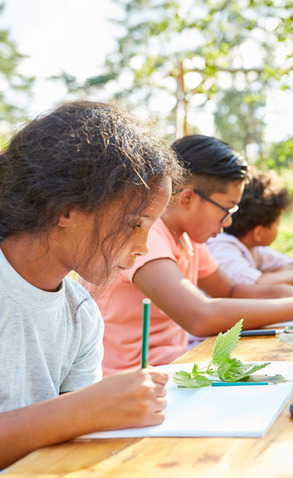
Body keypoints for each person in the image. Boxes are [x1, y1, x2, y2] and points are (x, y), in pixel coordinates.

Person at [0, 101, 183, 468]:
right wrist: (83, 410)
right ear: (65, 207)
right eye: (135, 224)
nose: (143, 247)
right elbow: (75, 418)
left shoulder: (81, 314)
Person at [85, 135, 293, 376]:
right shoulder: (143, 235)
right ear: (188, 198)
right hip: (124, 385)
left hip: (172, 370)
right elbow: (200, 316)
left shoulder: (187, 238)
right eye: (226, 208)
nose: (228, 221)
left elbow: (232, 291)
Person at [207, 168, 293, 286]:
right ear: (258, 233)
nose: (277, 230)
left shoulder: (253, 248)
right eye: (276, 225)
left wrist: (276, 279)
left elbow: (289, 265)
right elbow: (252, 285)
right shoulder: (221, 249)